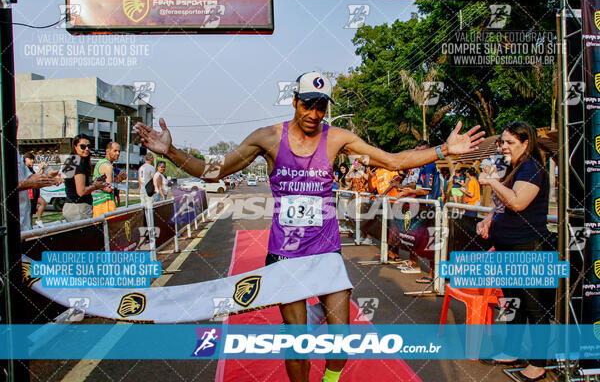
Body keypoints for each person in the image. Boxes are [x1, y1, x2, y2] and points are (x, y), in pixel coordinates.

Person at [135, 71, 484, 382]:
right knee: (298, 342)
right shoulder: (268, 138)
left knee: (342, 340)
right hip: (285, 256)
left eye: (321, 107)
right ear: (295, 101)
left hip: (326, 253)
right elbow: (215, 170)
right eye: (309, 105)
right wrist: (171, 152)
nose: (314, 114)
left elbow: (391, 160)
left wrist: (443, 150)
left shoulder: (338, 139)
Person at [477, 121, 552, 382]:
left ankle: (539, 363)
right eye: (502, 142)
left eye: (509, 142)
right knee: (512, 302)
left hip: (528, 247)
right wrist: (490, 218)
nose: (503, 147)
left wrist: (491, 181)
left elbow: (518, 202)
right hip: (508, 245)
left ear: (526, 143)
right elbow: (504, 205)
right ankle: (511, 350)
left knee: (534, 306)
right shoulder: (516, 167)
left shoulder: (532, 167)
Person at [397, 140, 442, 283]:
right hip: (422, 205)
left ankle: (433, 275)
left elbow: (426, 190)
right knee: (417, 237)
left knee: (431, 241)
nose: (417, 154)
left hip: (430, 207)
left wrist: (410, 191)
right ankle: (415, 264)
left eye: (420, 151)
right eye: (415, 151)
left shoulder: (429, 165)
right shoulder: (421, 167)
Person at [62, 135, 108, 222]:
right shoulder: (79, 164)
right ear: (75, 147)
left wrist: (92, 184)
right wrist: (96, 186)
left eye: (89, 146)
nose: (87, 149)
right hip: (79, 209)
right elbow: (81, 191)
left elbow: (72, 185)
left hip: (70, 206)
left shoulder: (71, 162)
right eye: (83, 146)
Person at [92, 141, 125, 217]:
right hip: (105, 204)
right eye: (115, 151)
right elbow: (109, 188)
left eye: (119, 151)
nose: (118, 153)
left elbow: (106, 184)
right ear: (107, 151)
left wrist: (118, 179)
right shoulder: (108, 167)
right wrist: (119, 184)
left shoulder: (101, 163)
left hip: (98, 202)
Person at [23, 152, 48, 228]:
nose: (32, 161)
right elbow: (33, 178)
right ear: (25, 159)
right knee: (30, 211)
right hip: (29, 192)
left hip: (35, 191)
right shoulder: (25, 169)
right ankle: (30, 226)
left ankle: (37, 221)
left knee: (42, 203)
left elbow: (38, 177)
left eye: (32, 159)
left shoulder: (31, 168)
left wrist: (42, 169)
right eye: (30, 159)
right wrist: (40, 168)